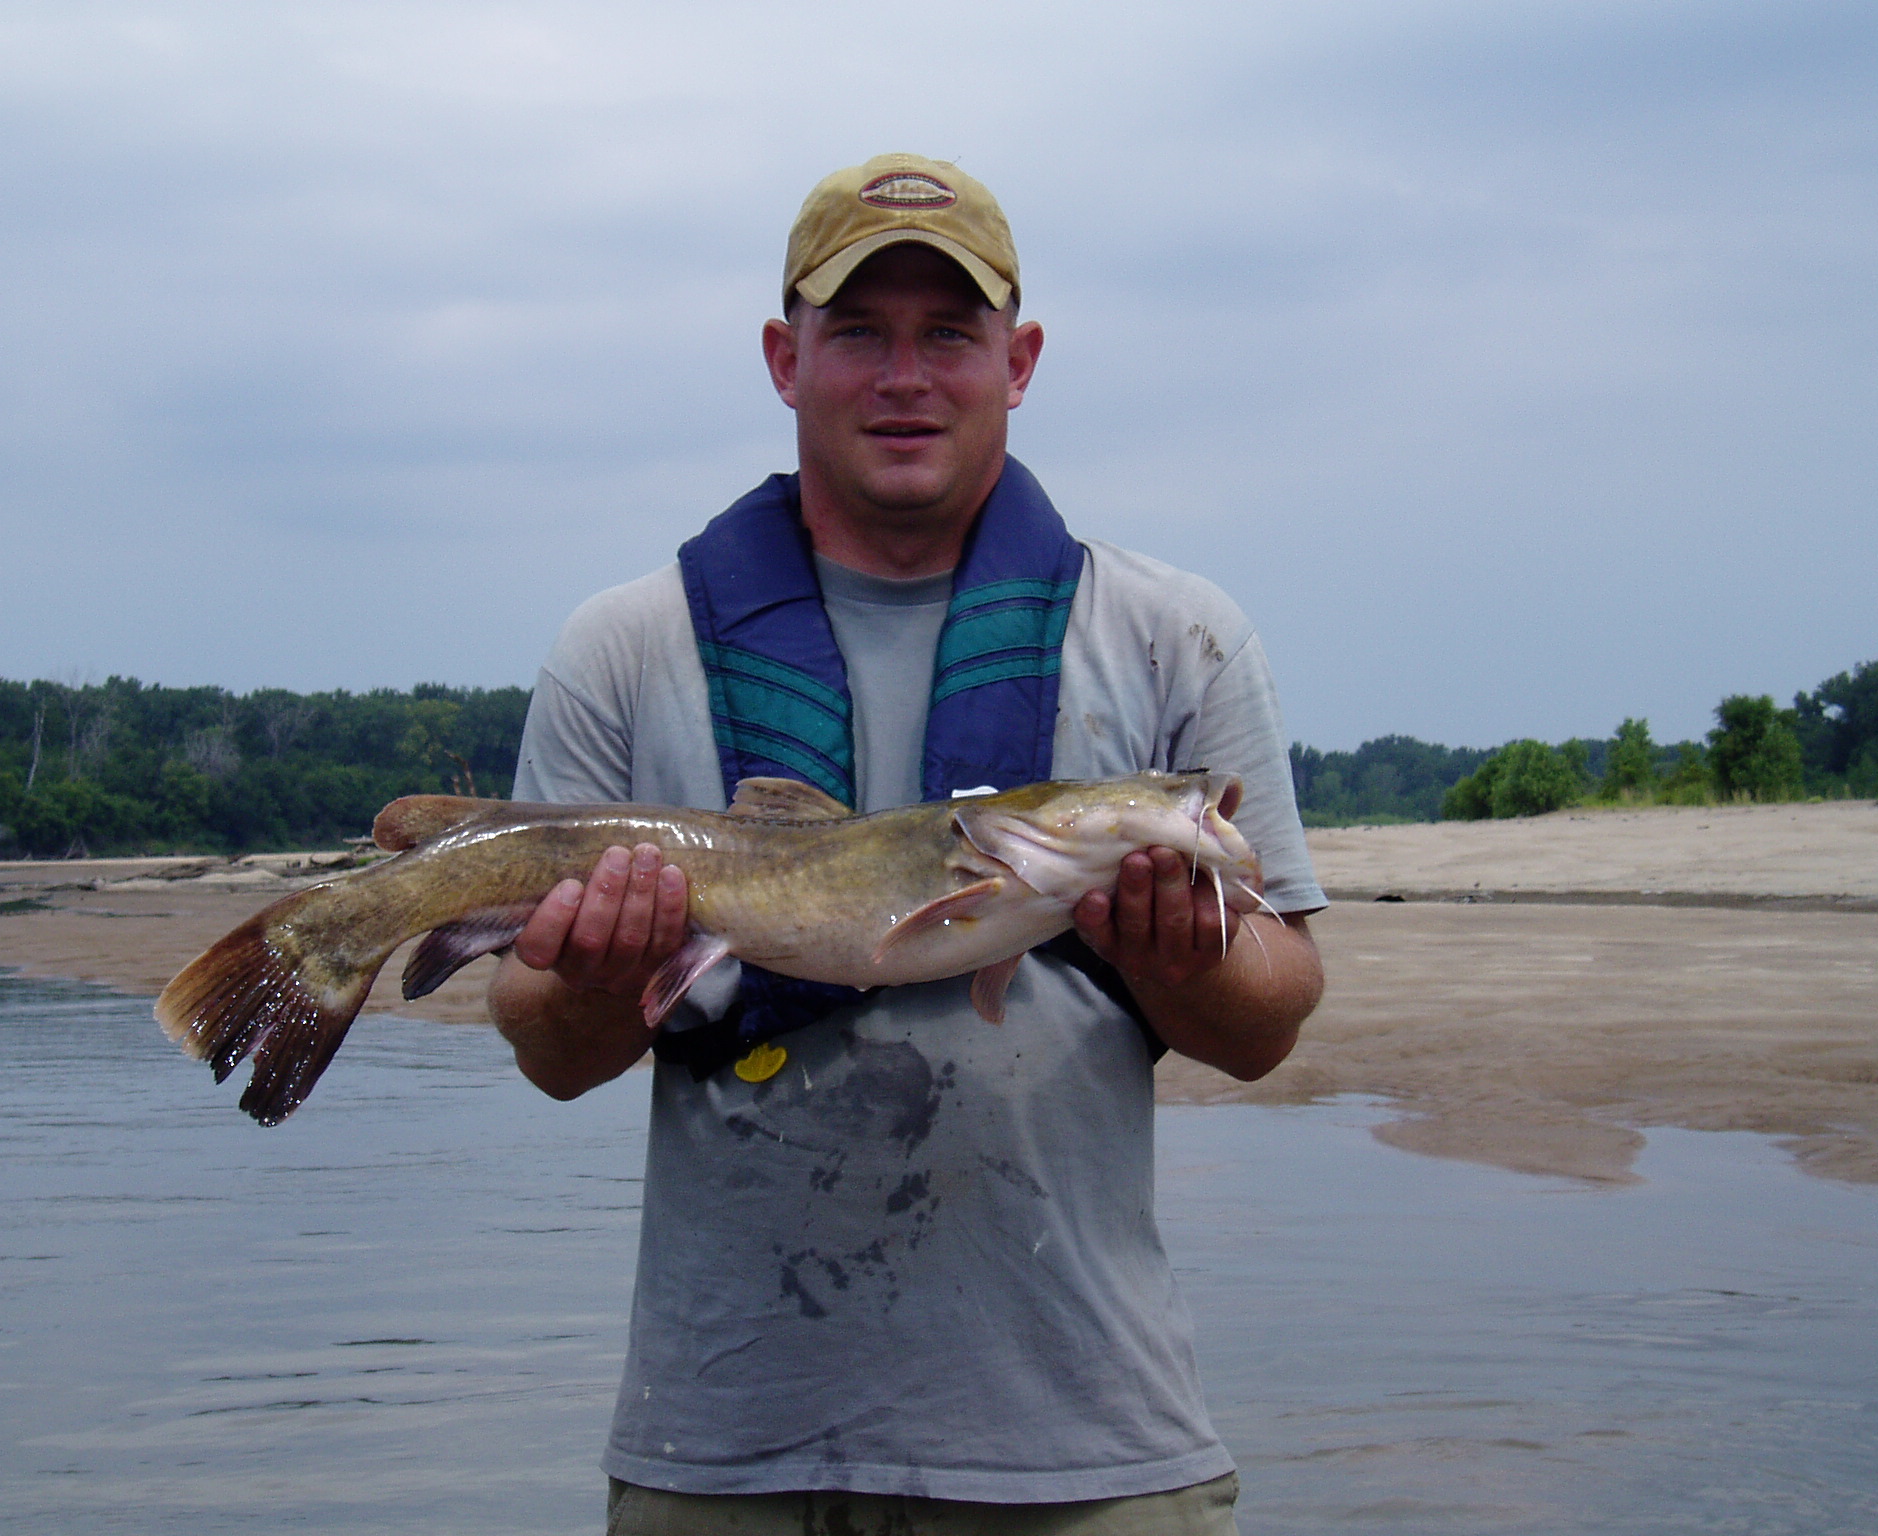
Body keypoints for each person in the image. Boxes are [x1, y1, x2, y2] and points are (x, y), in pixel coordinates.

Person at [489, 153, 1326, 1536]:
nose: (905, 375)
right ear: (784, 356)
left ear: (1021, 358)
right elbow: (549, 1053)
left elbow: (1268, 1025)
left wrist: (1182, 964)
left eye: (951, 332)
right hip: (726, 1450)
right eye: (858, 331)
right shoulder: (623, 649)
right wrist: (590, 978)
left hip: (1090, 1448)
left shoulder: (1181, 634)